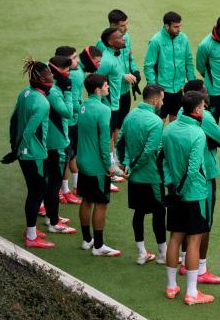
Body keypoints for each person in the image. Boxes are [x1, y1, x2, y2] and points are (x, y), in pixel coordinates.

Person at [162, 91, 214, 305]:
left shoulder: (169, 128)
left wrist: (171, 185)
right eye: (203, 105)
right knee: (193, 239)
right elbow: (193, 168)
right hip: (194, 193)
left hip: (174, 192)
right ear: (198, 109)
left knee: (175, 236)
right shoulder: (198, 133)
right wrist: (182, 188)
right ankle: (192, 292)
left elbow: (162, 160)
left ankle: (171, 286)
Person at [176, 80, 220, 285]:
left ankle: (185, 261)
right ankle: (200, 269)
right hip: (202, 177)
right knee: (203, 225)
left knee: (184, 225)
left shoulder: (181, 112)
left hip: (180, 175)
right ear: (200, 97)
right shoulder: (204, 117)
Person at [4, 59, 54, 248]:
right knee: (37, 192)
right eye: (48, 74)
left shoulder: (25, 93)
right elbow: (29, 131)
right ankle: (31, 237)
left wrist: (14, 147)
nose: (51, 76)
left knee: (34, 190)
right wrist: (17, 150)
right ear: (39, 78)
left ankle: (30, 230)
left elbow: (14, 120)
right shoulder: (42, 103)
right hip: (35, 154)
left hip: (26, 152)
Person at [116, 84, 167, 265]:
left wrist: (125, 166)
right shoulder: (156, 122)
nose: (163, 102)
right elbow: (150, 151)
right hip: (152, 177)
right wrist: (134, 166)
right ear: (154, 100)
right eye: (161, 98)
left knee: (139, 213)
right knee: (159, 213)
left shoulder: (130, 115)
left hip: (134, 177)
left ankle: (142, 253)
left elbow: (120, 141)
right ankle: (162, 255)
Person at [76, 73, 121, 256]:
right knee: (101, 204)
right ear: (97, 89)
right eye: (105, 85)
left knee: (86, 201)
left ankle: (87, 240)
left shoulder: (83, 105)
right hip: (96, 166)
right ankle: (99, 246)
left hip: (82, 162)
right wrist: (110, 166)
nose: (108, 87)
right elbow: (104, 142)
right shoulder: (103, 110)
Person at [96, 10, 142, 162]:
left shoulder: (125, 38)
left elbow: (129, 57)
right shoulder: (102, 44)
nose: (126, 28)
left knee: (120, 125)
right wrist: (123, 76)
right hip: (111, 92)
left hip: (125, 90)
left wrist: (134, 70)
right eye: (123, 26)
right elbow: (104, 70)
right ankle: (111, 159)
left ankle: (118, 156)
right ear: (113, 25)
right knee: (110, 127)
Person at [96, 27, 133, 192]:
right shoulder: (106, 60)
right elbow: (96, 80)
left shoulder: (116, 56)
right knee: (106, 138)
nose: (123, 38)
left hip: (115, 104)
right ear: (111, 42)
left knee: (111, 135)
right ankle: (106, 173)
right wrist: (103, 100)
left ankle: (112, 167)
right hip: (109, 104)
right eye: (120, 37)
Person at [44, 55, 77, 234]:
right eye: (66, 71)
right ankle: (54, 222)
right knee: (53, 183)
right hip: (56, 143)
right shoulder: (56, 90)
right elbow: (67, 112)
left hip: (52, 140)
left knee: (51, 182)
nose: (68, 74)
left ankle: (51, 216)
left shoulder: (50, 87)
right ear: (59, 71)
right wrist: (69, 91)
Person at [144, 11, 195, 123]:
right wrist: (154, 87)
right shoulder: (156, 41)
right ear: (167, 26)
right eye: (176, 27)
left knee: (176, 122)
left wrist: (191, 83)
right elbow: (148, 66)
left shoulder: (183, 38)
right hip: (162, 90)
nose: (179, 29)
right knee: (159, 123)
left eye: (180, 26)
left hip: (179, 89)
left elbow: (188, 61)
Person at [54, 46, 83, 205]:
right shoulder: (71, 77)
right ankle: (62, 190)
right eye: (74, 57)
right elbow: (71, 105)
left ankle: (70, 187)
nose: (77, 60)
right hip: (63, 123)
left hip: (71, 122)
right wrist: (83, 108)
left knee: (70, 155)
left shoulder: (76, 73)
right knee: (63, 157)